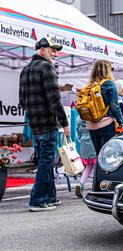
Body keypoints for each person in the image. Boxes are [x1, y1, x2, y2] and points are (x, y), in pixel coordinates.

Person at [19, 37, 70, 212]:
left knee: (45, 161)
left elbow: (22, 101)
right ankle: (38, 200)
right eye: (53, 50)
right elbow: (55, 99)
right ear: (42, 51)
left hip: (34, 123)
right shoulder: (47, 68)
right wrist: (65, 123)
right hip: (48, 123)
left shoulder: (25, 70)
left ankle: (50, 197)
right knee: (46, 163)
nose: (56, 54)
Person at [86, 60, 123, 155]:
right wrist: (122, 123)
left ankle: (99, 170)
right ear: (107, 70)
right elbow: (114, 106)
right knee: (108, 155)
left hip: (91, 125)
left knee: (99, 155)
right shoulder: (109, 84)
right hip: (106, 123)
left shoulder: (90, 85)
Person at [75, 117, 96, 199]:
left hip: (84, 143)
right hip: (93, 141)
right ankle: (96, 187)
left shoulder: (78, 119)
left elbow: (78, 134)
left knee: (88, 167)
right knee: (98, 167)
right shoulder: (92, 115)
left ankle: (81, 184)